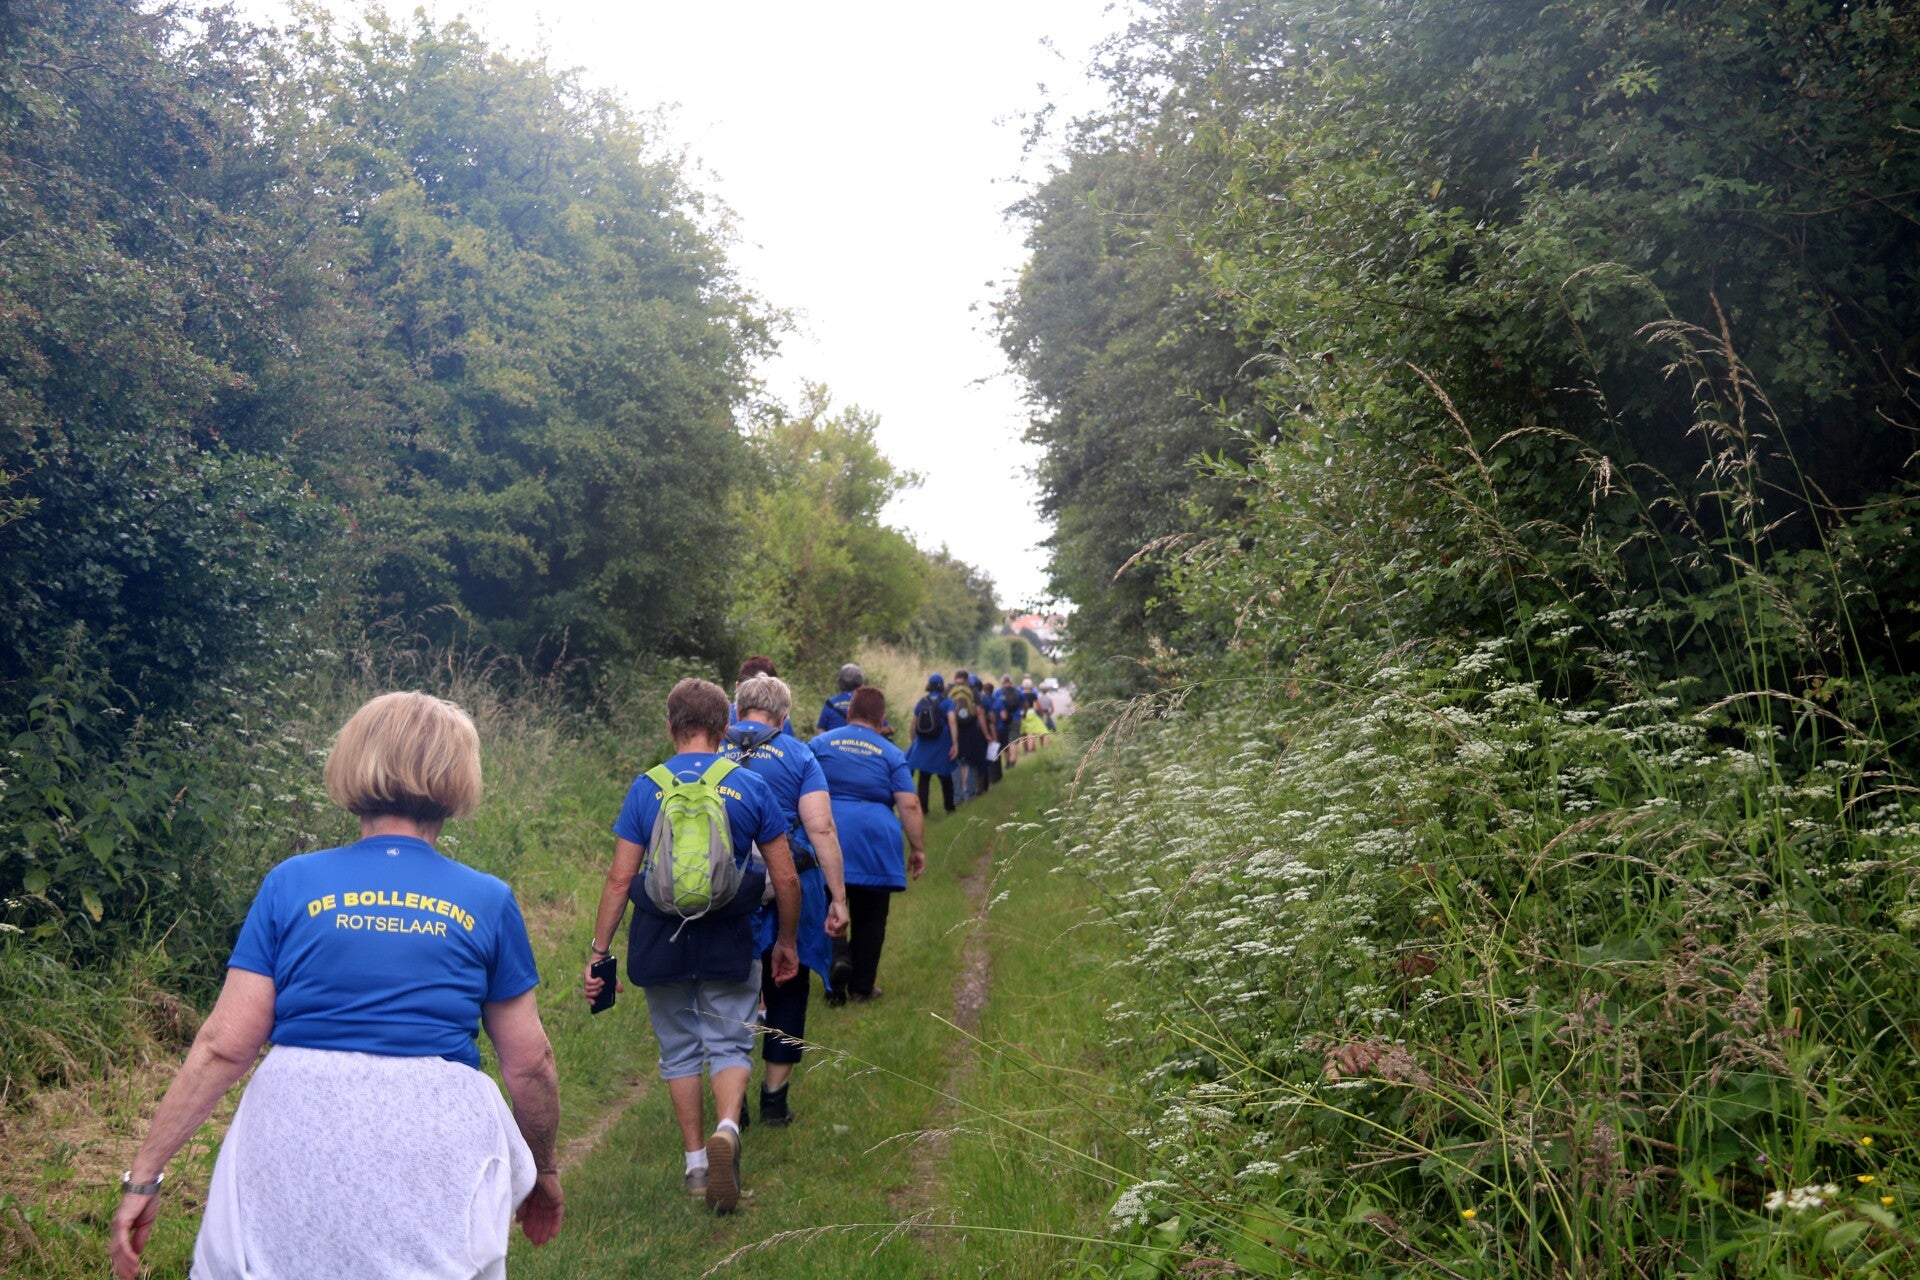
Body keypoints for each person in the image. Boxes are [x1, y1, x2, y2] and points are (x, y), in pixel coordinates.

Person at [111, 692, 563, 1280]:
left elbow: (223, 1046)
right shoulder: (488, 899)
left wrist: (145, 1175)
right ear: (456, 778)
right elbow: (530, 1064)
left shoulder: (291, 882)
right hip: (435, 1135)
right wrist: (543, 1168)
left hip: (294, 1126)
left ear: (354, 762)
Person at [582, 679, 801, 1214]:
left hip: (660, 938)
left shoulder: (646, 787)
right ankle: (728, 1127)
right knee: (730, 1044)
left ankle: (697, 1165)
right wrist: (787, 941)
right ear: (725, 729)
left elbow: (619, 878)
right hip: (730, 934)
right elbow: (786, 877)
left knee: (679, 1050)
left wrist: (599, 950)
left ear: (670, 727)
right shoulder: (749, 785)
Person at [723, 674, 850, 1126]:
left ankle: (731, 1103)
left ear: (738, 710)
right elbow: (821, 828)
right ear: (784, 717)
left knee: (728, 990)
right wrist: (839, 897)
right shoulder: (799, 754)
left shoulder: (712, 751)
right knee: (789, 983)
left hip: (726, 889)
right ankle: (774, 1102)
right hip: (790, 883)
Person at [809, 687, 925, 1003]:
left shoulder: (820, 744)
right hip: (875, 842)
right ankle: (862, 987)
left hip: (828, 834)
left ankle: (835, 971)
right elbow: (909, 804)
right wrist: (917, 848)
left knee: (828, 905)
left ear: (849, 713)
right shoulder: (890, 753)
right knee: (871, 915)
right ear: (882, 719)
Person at [902, 672, 960, 815]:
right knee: (945, 775)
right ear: (942, 686)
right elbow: (952, 721)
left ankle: (923, 809)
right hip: (942, 742)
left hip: (923, 742)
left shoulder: (922, 702)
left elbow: (913, 725)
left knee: (924, 776)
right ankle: (949, 807)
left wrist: (914, 742)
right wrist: (955, 744)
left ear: (929, 685)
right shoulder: (947, 702)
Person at [816, 662, 891, 737]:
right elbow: (885, 728)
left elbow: (820, 730)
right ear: (860, 683)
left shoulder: (830, 703)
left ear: (840, 683)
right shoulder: (868, 703)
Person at [950, 668, 988, 803]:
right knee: (972, 763)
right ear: (967, 679)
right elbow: (980, 713)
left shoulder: (949, 690)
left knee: (955, 763)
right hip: (971, 731)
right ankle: (970, 794)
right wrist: (986, 733)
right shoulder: (973, 692)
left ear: (955, 678)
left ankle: (957, 796)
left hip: (953, 731)